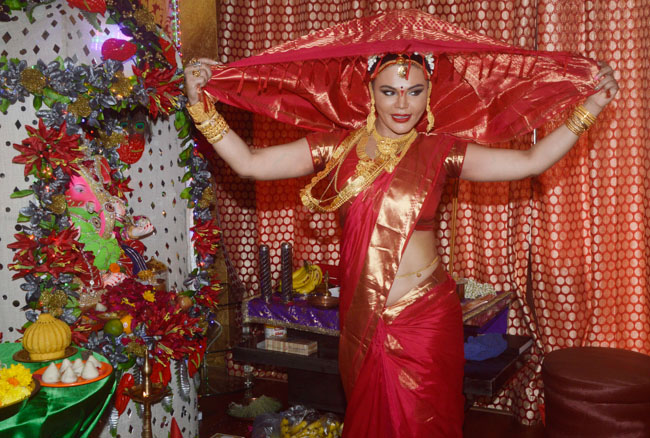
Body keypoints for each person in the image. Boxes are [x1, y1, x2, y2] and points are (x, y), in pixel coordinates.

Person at [183, 11, 618, 437]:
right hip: (363, 316)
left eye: (415, 91)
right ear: (370, 91)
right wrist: (202, 108)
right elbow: (251, 164)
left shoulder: (440, 151)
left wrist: (592, 106)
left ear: (430, 92)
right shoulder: (337, 148)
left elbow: (531, 161)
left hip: (426, 318)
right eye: (390, 91)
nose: (403, 104)